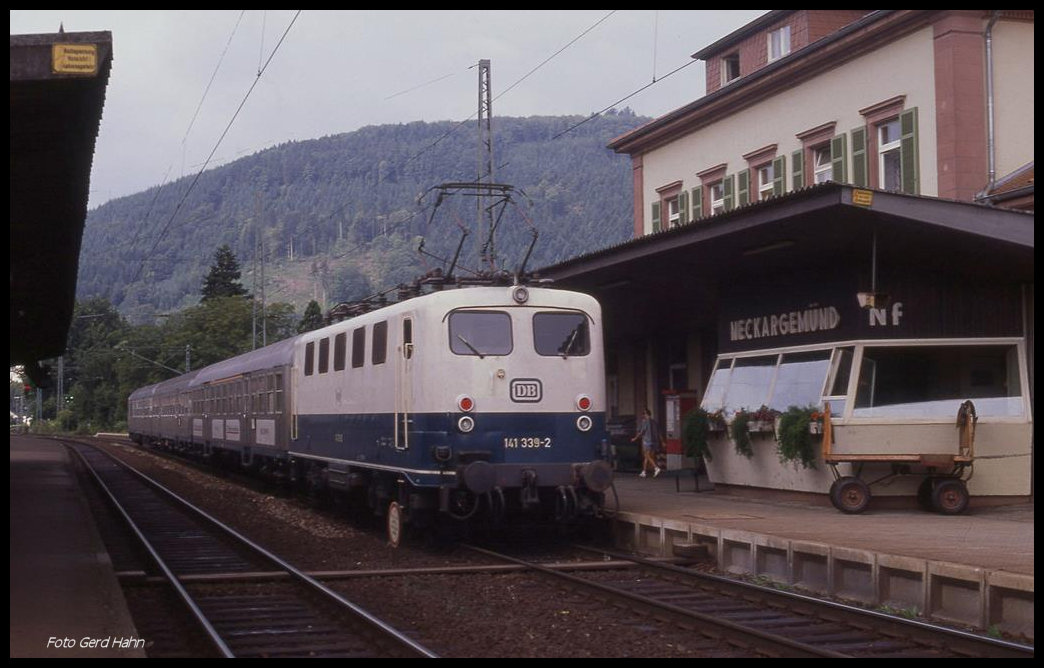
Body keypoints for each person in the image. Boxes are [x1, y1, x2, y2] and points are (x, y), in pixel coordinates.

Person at [632, 408, 663, 478]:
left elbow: (641, 432)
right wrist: (662, 441)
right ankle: (644, 471)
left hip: (647, 441)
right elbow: (659, 433)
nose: (643, 415)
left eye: (643, 414)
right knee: (647, 456)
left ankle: (656, 468)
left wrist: (635, 438)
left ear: (646, 414)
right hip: (654, 442)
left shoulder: (645, 422)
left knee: (647, 455)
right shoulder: (654, 422)